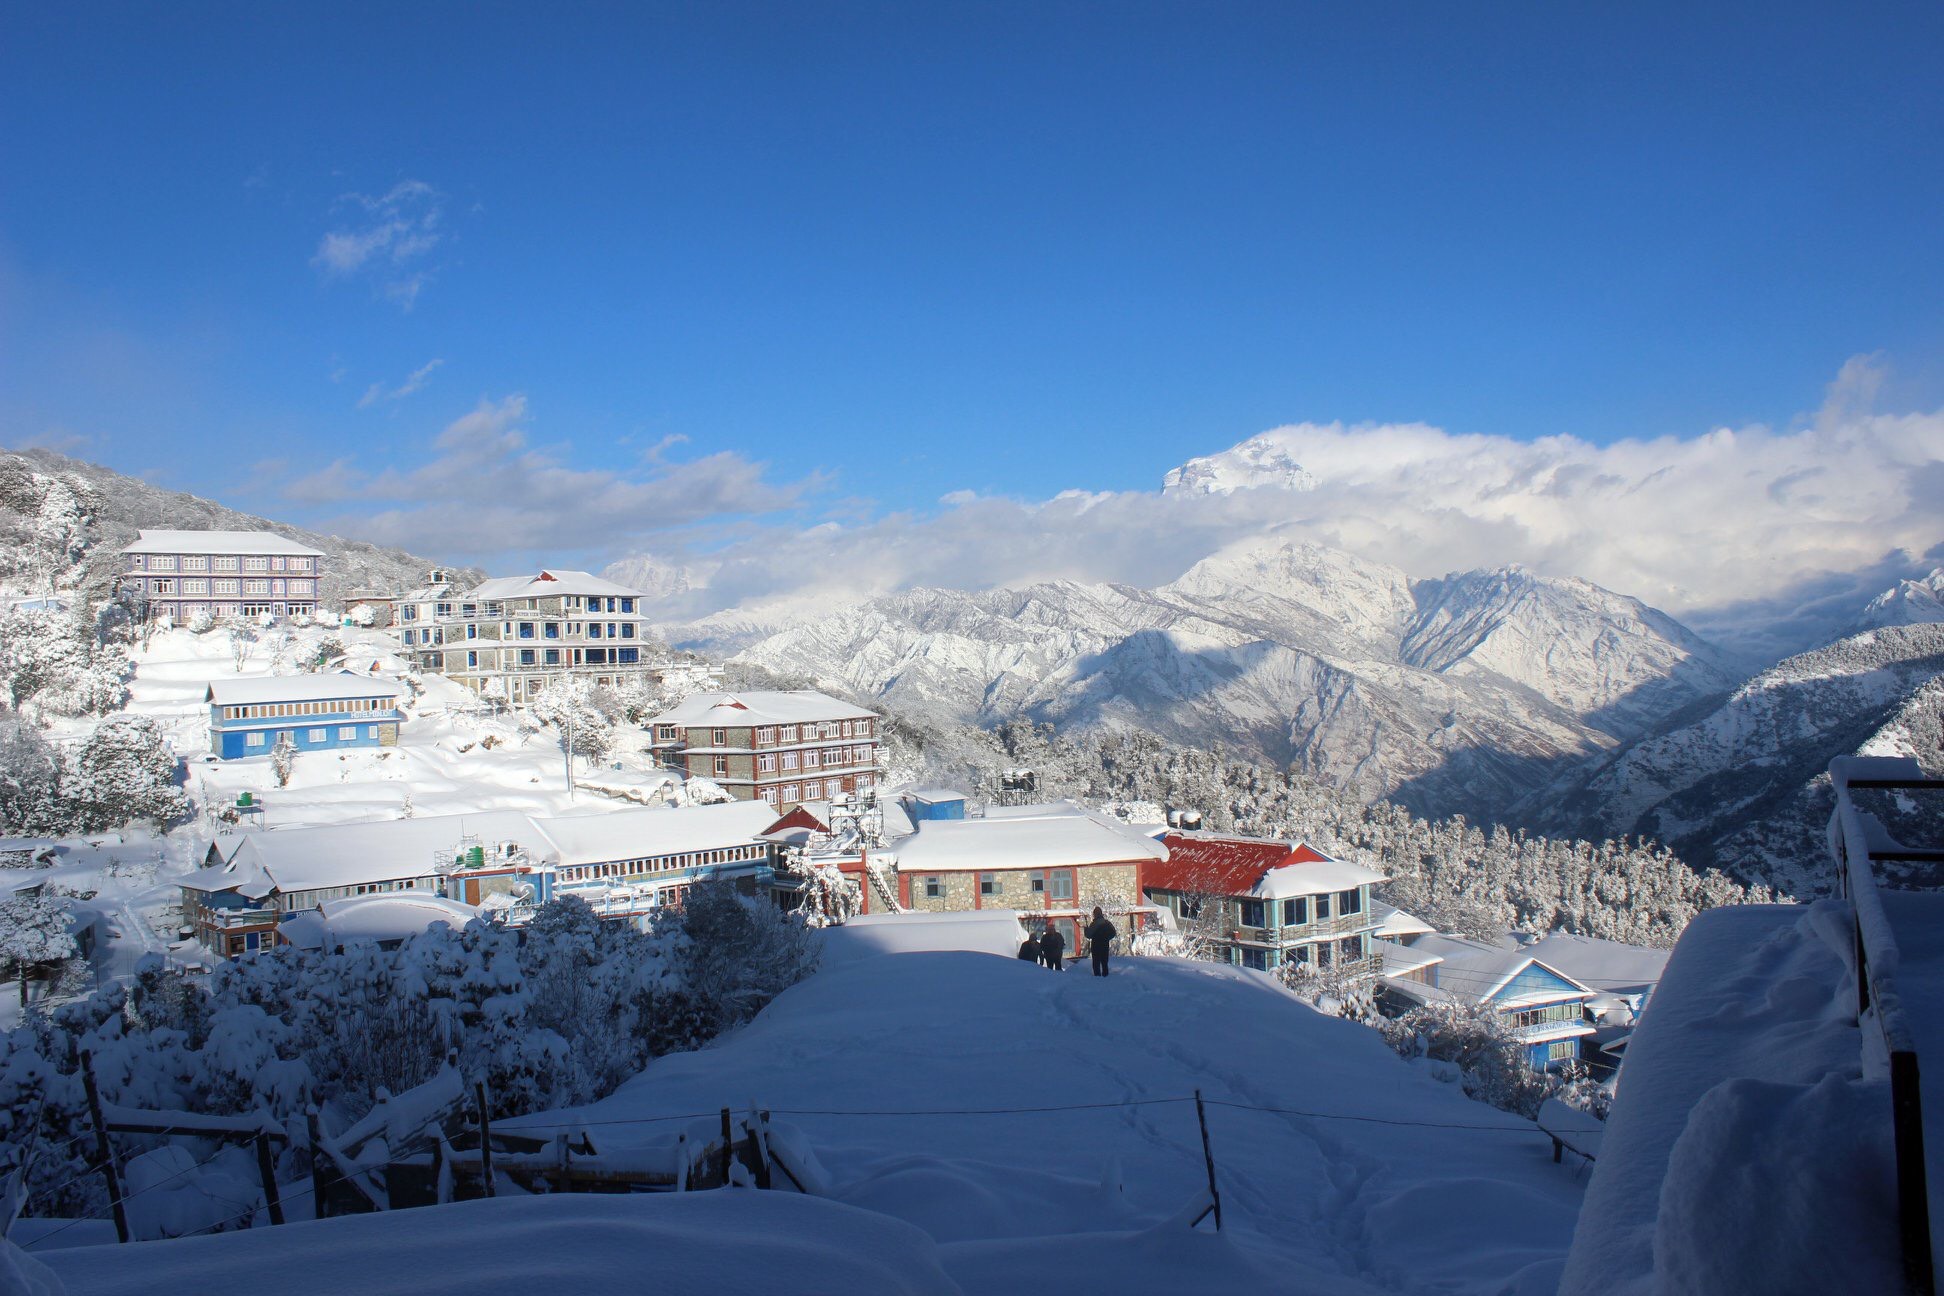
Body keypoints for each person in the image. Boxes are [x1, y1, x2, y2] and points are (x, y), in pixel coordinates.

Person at [1085, 907, 1118, 977]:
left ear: (1095, 914)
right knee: (1104, 962)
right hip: (1105, 945)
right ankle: (1106, 977)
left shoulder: (1094, 924)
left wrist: (1086, 929)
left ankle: (1097, 979)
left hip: (1096, 946)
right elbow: (1113, 933)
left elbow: (1088, 935)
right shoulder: (1107, 923)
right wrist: (1106, 938)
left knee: (1096, 963)